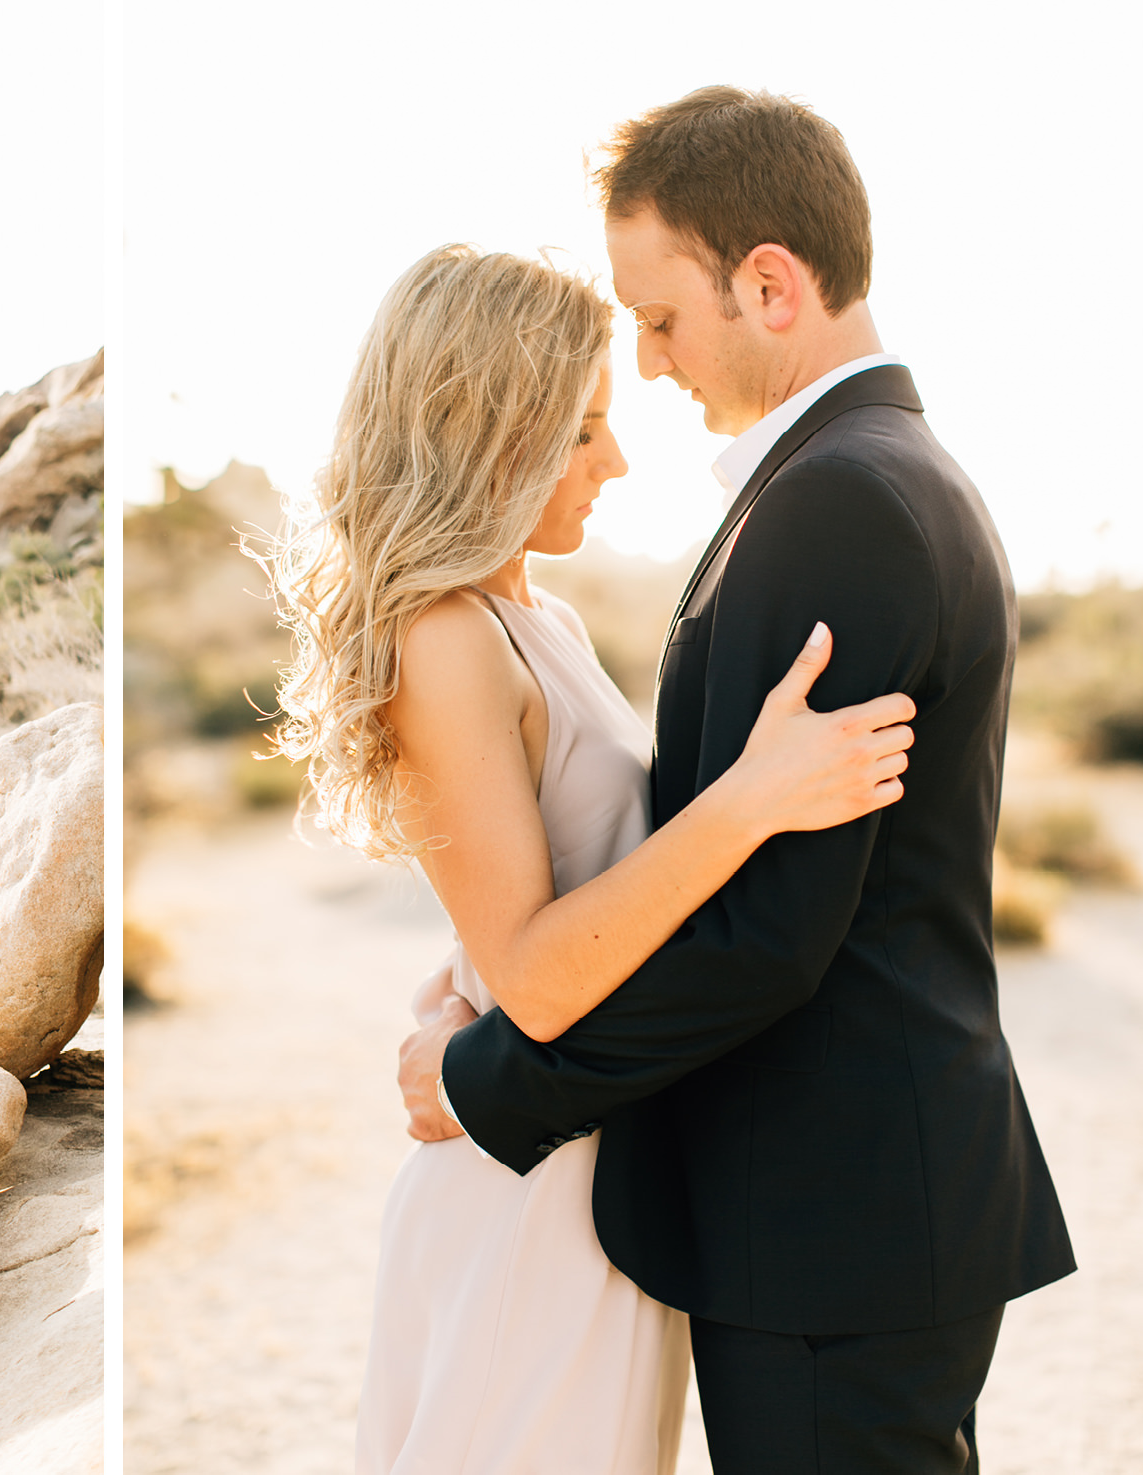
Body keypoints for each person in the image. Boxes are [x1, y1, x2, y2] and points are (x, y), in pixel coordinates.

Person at [398, 89, 1074, 1473]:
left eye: (658, 320)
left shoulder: (842, 502)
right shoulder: (868, 476)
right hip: (848, 1207)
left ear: (770, 284)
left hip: (831, 1217)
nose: (648, 367)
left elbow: (769, 934)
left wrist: (488, 1084)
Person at [270, 240, 923, 1473]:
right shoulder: (443, 635)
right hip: (527, 1201)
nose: (614, 459)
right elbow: (533, 974)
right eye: (580, 430)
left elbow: (549, 883)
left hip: (599, 1172)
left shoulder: (539, 619)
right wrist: (748, 801)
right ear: (484, 433)